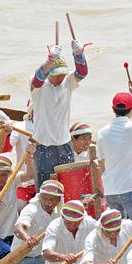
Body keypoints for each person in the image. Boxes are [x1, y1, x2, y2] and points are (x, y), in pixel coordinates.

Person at [29, 38, 88, 189]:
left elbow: (82, 73)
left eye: (62, 74)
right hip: (43, 146)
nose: (60, 77)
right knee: (45, 188)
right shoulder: (39, 87)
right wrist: (50, 60)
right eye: (57, 74)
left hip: (64, 144)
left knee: (68, 187)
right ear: (49, 73)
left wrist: (79, 54)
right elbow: (38, 78)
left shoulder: (67, 82)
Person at [96, 81, 132, 222]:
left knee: (116, 231)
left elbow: (101, 163)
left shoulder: (102, 133)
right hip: (129, 190)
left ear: (113, 109)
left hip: (110, 191)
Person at [11, 180, 65, 264]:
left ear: (58, 200)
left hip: (41, 256)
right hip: (21, 259)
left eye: (52, 200)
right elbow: (18, 229)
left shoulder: (59, 213)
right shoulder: (31, 209)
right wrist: (28, 239)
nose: (48, 203)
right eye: (45, 198)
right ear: (40, 197)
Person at [42, 200, 96, 264]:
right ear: (62, 217)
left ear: (82, 219)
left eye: (75, 223)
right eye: (68, 222)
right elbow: (46, 254)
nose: (71, 225)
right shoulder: (54, 226)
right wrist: (64, 257)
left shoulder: (90, 223)